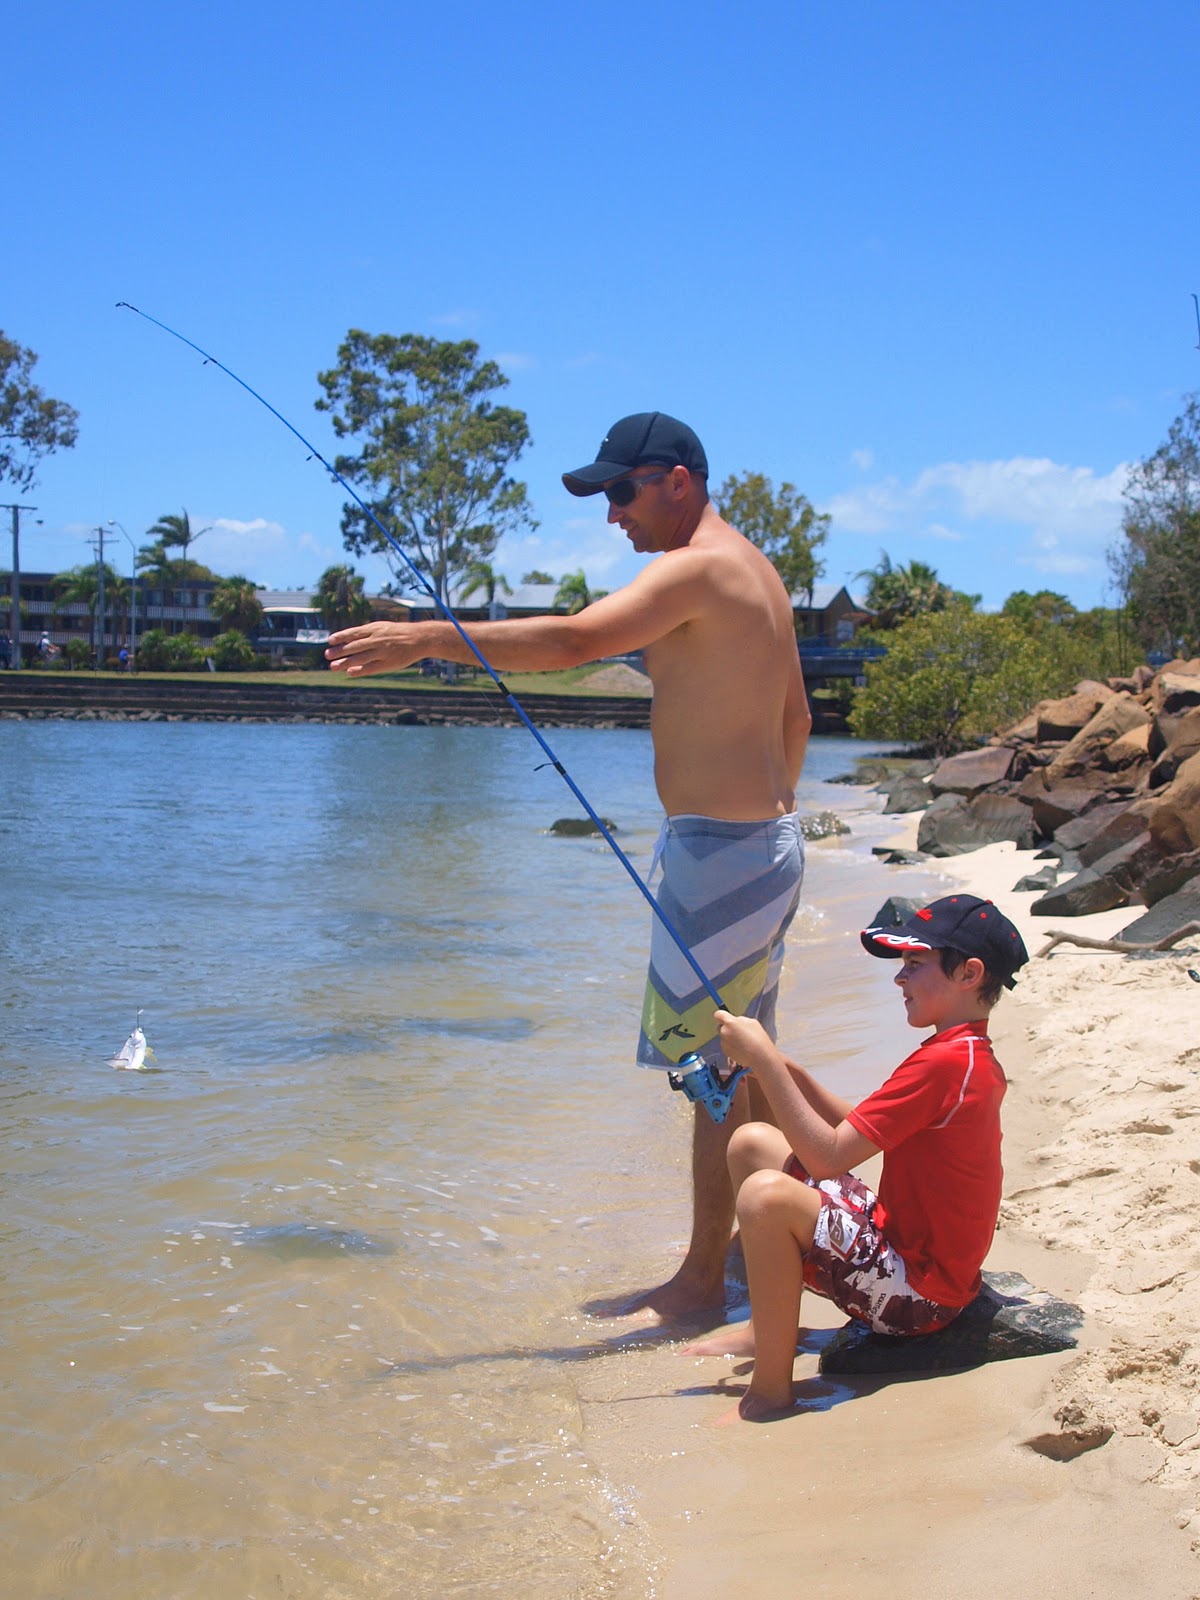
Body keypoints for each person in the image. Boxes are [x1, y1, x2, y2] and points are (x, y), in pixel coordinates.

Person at [326, 411, 811, 1318]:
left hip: (724, 853)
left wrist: (431, 637)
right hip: (759, 848)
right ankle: (761, 1247)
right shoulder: (758, 568)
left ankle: (705, 1279)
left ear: (678, 480)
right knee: (748, 1063)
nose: (612, 515)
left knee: (710, 1071)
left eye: (621, 492)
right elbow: (799, 721)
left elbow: (579, 641)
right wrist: (767, 817)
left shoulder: (697, 566)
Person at [684, 893, 1029, 1421]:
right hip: (908, 1255)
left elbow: (826, 1157)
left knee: (764, 1197)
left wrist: (763, 1063)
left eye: (914, 965)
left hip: (921, 1297)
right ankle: (768, 1329)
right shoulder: (962, 1054)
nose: (900, 979)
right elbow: (859, 1125)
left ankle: (770, 1394)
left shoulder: (945, 1063)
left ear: (969, 973)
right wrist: (783, 1068)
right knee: (754, 1143)